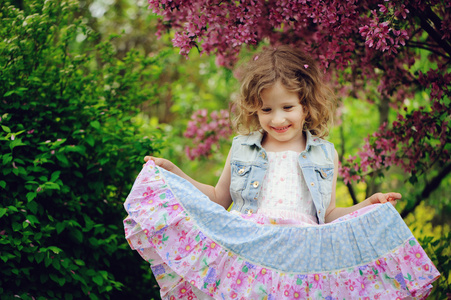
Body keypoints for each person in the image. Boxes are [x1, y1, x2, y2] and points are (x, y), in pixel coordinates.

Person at [124, 46, 440, 299]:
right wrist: (174, 172)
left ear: (306, 105)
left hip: (303, 255)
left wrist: (367, 205)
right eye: (266, 109)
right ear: (254, 109)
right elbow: (218, 200)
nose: (277, 119)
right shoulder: (242, 148)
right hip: (251, 247)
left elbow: (328, 214)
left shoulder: (324, 153)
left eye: (287, 107)